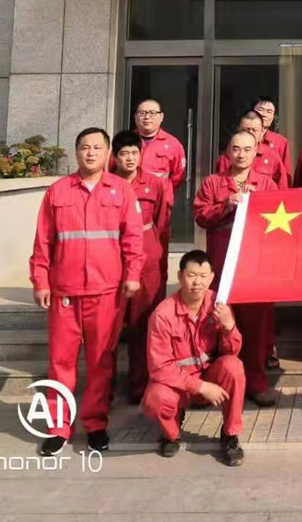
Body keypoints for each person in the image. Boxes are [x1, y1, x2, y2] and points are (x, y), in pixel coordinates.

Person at [29, 127, 144, 456]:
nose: (90, 153)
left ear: (108, 154)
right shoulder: (58, 191)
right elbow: (43, 241)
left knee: (100, 363)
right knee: (60, 363)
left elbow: (133, 238)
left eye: (97, 147)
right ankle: (58, 428)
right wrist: (40, 280)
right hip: (65, 292)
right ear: (76, 152)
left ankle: (95, 425)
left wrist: (132, 274)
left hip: (106, 292)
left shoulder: (121, 191)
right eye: (84, 147)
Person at [193, 130, 278, 407]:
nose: (241, 154)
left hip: (254, 268)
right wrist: (225, 205)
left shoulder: (267, 184)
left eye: (247, 149)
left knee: (255, 328)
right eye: (236, 149)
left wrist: (258, 204)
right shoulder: (213, 183)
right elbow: (200, 216)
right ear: (228, 152)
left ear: (256, 152)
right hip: (221, 270)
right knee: (220, 325)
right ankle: (222, 382)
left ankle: (256, 381)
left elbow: (279, 224)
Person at [142, 250, 246, 465]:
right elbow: (160, 368)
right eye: (191, 275)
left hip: (210, 377)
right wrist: (200, 387)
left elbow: (232, 352)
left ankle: (230, 435)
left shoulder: (219, 305)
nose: (197, 282)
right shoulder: (163, 314)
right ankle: (171, 435)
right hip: (180, 385)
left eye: (203, 276)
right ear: (180, 276)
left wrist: (229, 326)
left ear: (212, 277)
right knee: (156, 398)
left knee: (234, 367)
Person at [110, 130, 169, 402]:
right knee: (109, 329)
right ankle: (105, 387)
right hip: (112, 260)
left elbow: (162, 224)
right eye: (124, 154)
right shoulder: (106, 183)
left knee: (142, 325)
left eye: (135, 152)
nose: (130, 158)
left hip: (146, 261)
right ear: (115, 156)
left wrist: (159, 262)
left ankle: (139, 385)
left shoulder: (155, 184)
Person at [133, 99, 187, 290]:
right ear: (135, 117)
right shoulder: (127, 142)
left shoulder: (172, 145)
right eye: (142, 113)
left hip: (159, 210)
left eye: (152, 113)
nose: (147, 117)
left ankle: (155, 297)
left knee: (157, 255)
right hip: (130, 207)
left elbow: (177, 176)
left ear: (161, 117)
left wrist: (162, 193)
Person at [215, 110, 288, 189]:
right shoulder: (227, 156)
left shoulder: (272, 157)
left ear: (262, 132)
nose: (250, 133)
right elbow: (218, 186)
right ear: (238, 129)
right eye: (246, 129)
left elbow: (282, 190)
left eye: (254, 130)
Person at [253, 96, 291, 182]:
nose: (264, 114)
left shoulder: (280, 142)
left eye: (269, 111)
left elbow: (285, 176)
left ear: (273, 117)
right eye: (261, 110)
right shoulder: (240, 139)